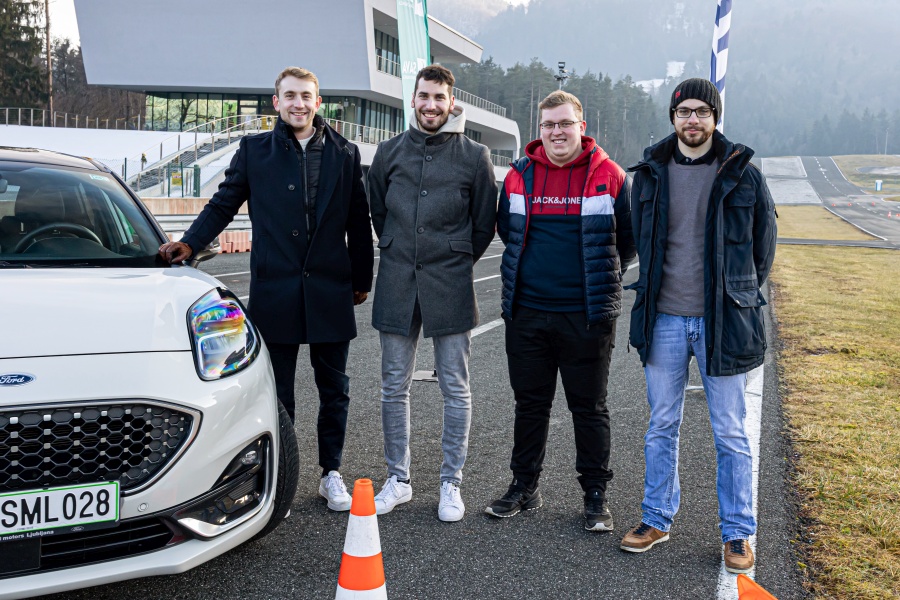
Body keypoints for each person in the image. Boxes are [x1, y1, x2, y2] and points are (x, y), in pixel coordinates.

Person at [158, 67, 374, 513]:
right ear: (276, 102)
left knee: (335, 388)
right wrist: (191, 242)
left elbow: (358, 219)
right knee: (277, 392)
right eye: (290, 95)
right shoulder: (254, 150)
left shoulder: (345, 152)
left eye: (306, 96)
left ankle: (331, 473)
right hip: (276, 287)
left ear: (318, 102)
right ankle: (281, 476)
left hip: (330, 287)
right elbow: (224, 203)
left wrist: (361, 279)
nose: (298, 103)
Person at [619, 78, 776, 574]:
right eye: (684, 111)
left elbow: (763, 248)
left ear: (714, 117)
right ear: (673, 117)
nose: (692, 119)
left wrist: (735, 295)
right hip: (663, 318)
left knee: (730, 432)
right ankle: (656, 518)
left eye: (702, 112)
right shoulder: (650, 174)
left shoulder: (743, 174)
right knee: (661, 425)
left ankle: (737, 532)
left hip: (721, 322)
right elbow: (640, 239)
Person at [486, 90, 636, 532]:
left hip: (586, 315)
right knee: (530, 405)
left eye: (565, 123)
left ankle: (595, 494)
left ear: (581, 127)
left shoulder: (610, 175)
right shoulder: (518, 175)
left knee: (588, 408)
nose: (557, 132)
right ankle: (524, 486)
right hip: (527, 312)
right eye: (549, 124)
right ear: (540, 129)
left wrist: (600, 281)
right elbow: (507, 231)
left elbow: (626, 241)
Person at [367, 64, 498, 522]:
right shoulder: (388, 153)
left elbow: (484, 222)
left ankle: (450, 483)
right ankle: (398, 479)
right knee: (393, 386)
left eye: (439, 98)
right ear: (413, 99)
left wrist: (456, 259)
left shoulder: (475, 156)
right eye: (424, 96)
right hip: (397, 280)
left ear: (451, 102)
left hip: (451, 282)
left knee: (456, 387)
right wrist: (399, 248)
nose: (430, 105)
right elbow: (378, 210)